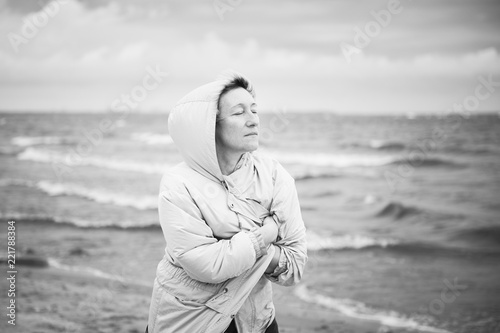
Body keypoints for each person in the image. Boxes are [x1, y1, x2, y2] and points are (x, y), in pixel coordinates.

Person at [147, 71, 307, 333]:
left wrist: (231, 244)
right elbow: (207, 265)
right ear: (209, 126)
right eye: (239, 112)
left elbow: (295, 266)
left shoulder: (274, 175)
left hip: (256, 322)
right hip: (188, 321)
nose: (253, 121)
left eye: (254, 111)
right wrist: (266, 234)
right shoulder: (178, 183)